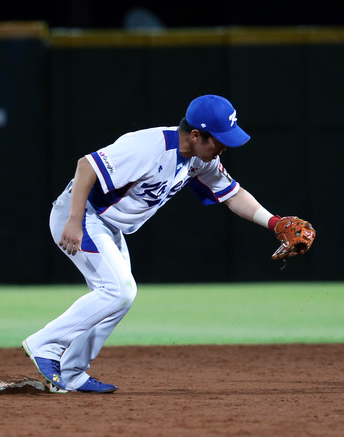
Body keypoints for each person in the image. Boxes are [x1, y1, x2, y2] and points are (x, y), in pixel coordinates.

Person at [22, 94, 313, 393]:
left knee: (118, 298)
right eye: (219, 140)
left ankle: (71, 372)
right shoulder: (149, 146)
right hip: (82, 214)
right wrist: (73, 219)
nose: (224, 146)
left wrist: (275, 222)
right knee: (119, 290)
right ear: (196, 135)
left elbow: (232, 194)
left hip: (110, 225)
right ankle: (45, 344)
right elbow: (86, 166)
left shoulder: (202, 158)